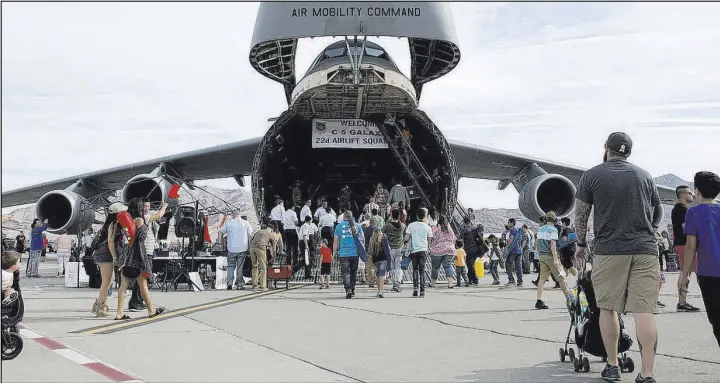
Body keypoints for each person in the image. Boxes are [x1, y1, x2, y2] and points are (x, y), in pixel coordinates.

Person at [573, 132, 662, 382]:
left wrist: (581, 244)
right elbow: (657, 210)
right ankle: (647, 373)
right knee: (644, 311)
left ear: (606, 148)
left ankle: (612, 365)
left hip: (609, 250)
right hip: (645, 250)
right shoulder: (644, 176)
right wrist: (651, 231)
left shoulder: (592, 175)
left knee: (607, 308)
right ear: (628, 152)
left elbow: (580, 214)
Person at [678, 171, 720, 347]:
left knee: (717, 320)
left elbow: (691, 247)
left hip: (709, 273)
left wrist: (684, 274)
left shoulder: (693, 213)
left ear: (697, 190)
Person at [113, 198, 164, 320]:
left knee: (123, 286)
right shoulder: (139, 220)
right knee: (143, 285)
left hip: (125, 257)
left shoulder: (124, 221)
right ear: (140, 208)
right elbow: (141, 237)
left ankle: (119, 313)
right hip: (136, 258)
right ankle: (151, 310)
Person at [534, 211, 574, 310]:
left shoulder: (540, 229)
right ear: (555, 220)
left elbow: (537, 243)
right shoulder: (553, 230)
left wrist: (539, 256)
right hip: (550, 256)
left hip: (542, 256)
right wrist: (556, 259)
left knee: (542, 279)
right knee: (562, 277)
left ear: (546, 219)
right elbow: (553, 245)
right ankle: (569, 300)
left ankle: (539, 301)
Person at [90, 203, 125, 317]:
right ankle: (100, 306)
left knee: (110, 280)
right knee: (106, 281)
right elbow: (110, 242)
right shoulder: (113, 224)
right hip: (106, 254)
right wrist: (115, 257)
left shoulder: (110, 224)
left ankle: (100, 304)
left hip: (103, 253)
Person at [671, 184, 701, 312]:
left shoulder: (678, 209)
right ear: (683, 194)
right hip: (685, 245)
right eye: (689, 193)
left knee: (686, 273)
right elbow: (686, 229)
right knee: (686, 273)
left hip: (682, 244)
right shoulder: (682, 210)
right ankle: (682, 303)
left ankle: (682, 302)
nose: (692, 195)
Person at [333, 210, 364, 299]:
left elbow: (335, 242)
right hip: (355, 254)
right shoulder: (358, 226)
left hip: (343, 254)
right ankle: (353, 289)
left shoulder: (338, 226)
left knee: (345, 272)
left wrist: (334, 253)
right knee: (353, 272)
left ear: (344, 217)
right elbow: (363, 239)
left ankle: (348, 290)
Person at [220, 210, 253, 290]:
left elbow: (220, 232)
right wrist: (250, 245)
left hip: (231, 249)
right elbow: (250, 235)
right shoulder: (246, 223)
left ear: (233, 215)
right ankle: (239, 285)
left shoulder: (229, 223)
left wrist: (221, 243)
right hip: (242, 248)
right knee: (240, 267)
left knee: (230, 266)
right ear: (240, 215)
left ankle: (229, 284)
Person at [404, 208, 433, 297]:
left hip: (414, 250)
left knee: (415, 270)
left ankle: (415, 288)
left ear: (417, 216)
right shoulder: (427, 227)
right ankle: (422, 291)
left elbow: (406, 238)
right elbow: (429, 240)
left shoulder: (411, 225)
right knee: (422, 271)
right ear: (425, 216)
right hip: (423, 250)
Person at [429, 214, 456, 288]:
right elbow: (454, 238)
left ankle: (433, 284)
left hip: (438, 250)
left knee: (435, 267)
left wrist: (431, 246)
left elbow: (431, 239)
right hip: (450, 249)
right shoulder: (449, 228)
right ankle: (450, 284)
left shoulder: (435, 228)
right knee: (448, 266)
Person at [383, 208, 406, 293]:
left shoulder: (387, 225)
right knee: (398, 266)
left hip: (390, 248)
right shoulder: (403, 226)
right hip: (400, 248)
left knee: (392, 267)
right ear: (399, 216)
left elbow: (382, 232)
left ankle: (394, 284)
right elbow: (406, 236)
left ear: (391, 215)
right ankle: (397, 283)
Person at [248, 220, 275, 291]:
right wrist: (273, 254)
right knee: (263, 267)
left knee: (254, 266)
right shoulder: (269, 233)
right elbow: (273, 244)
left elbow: (252, 239)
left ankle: (254, 285)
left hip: (252, 248)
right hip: (260, 247)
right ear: (271, 230)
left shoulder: (258, 231)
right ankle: (263, 286)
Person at [366, 225, 389, 298]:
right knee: (382, 275)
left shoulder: (372, 240)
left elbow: (369, 251)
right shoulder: (383, 238)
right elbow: (387, 249)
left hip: (375, 260)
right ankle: (381, 291)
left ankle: (378, 290)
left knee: (377, 275)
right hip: (383, 259)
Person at [461, 217, 480, 285]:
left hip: (468, 250)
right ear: (470, 221)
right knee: (471, 264)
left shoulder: (464, 230)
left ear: (464, 222)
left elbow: (461, 240)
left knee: (470, 265)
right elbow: (479, 238)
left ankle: (475, 279)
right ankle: (470, 279)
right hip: (476, 249)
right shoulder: (474, 229)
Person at [505, 218, 524, 287]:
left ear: (512, 223)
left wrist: (507, 247)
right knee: (518, 266)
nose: (508, 224)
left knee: (508, 264)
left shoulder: (512, 230)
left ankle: (511, 279)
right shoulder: (517, 230)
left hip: (513, 250)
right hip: (518, 251)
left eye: (508, 222)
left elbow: (511, 238)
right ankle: (520, 281)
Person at [283, 203, 300, 270]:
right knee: (295, 248)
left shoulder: (284, 213)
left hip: (286, 231)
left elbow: (282, 222)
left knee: (288, 247)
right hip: (293, 230)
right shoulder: (293, 213)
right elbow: (296, 222)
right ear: (292, 207)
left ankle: (288, 264)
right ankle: (295, 263)